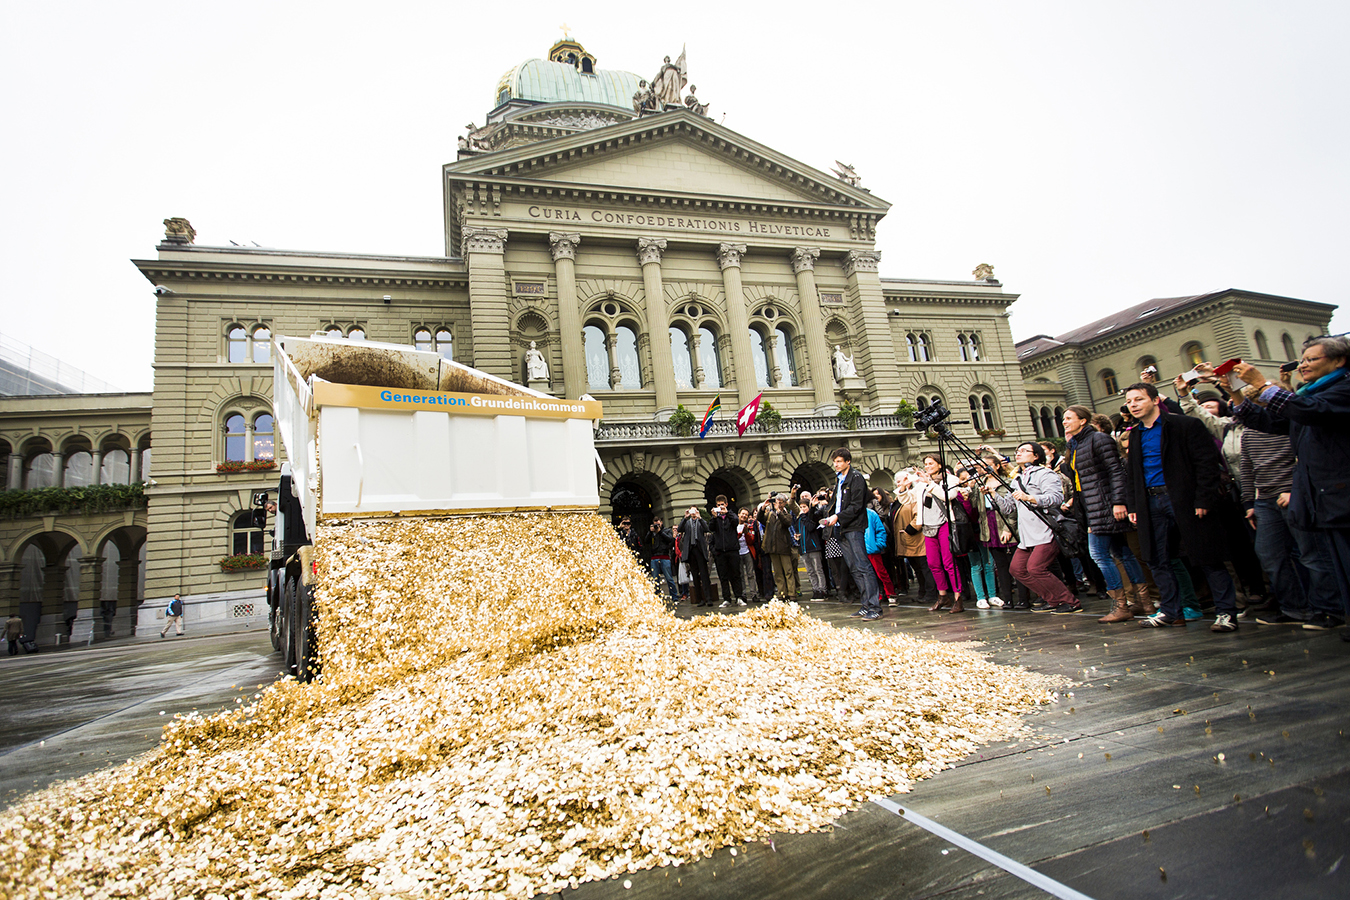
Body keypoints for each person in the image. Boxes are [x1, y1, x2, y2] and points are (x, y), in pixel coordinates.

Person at [1231, 335, 1350, 635]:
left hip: (1340, 493)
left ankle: (1330, 610)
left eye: (1312, 359)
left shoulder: (1341, 390)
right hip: (1321, 496)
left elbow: (1308, 410)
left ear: (1339, 361)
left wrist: (1262, 384)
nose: (1304, 365)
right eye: (1303, 359)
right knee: (1338, 563)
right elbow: (1270, 422)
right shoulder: (1311, 394)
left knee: (1330, 559)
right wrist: (1233, 390)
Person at [1121, 382, 1240, 632]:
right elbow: (1133, 475)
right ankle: (1171, 611)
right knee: (1158, 559)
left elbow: (1207, 464)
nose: (1133, 405)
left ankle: (1226, 612)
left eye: (1138, 399)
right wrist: (1134, 505)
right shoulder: (1136, 434)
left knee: (1207, 556)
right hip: (1150, 502)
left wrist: (1203, 499)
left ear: (1155, 400)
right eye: (1129, 401)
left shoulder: (1184, 425)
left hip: (1184, 499)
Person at [1060, 406, 1150, 623]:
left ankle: (1122, 605)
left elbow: (1115, 471)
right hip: (1092, 505)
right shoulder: (1076, 444)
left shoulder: (1099, 439)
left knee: (1099, 554)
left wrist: (1119, 501)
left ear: (1083, 420)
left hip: (1104, 505)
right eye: (1063, 418)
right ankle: (1143, 602)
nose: (1064, 422)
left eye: (1069, 418)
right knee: (1122, 552)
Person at [986, 442, 1078, 612]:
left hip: (1045, 529)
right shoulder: (1017, 479)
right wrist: (993, 494)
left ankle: (1070, 601)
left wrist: (1030, 498)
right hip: (1027, 534)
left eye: (1024, 451)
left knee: (1036, 568)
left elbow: (1056, 498)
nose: (1018, 453)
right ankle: (1053, 600)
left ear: (1036, 456)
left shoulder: (1045, 474)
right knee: (1017, 569)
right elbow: (1008, 508)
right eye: (1017, 451)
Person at [819, 448, 883, 620]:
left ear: (848, 461)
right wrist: (828, 516)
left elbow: (856, 506)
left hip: (853, 526)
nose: (836, 464)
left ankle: (875, 607)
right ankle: (865, 604)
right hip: (841, 527)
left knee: (863, 566)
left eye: (839, 461)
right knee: (853, 567)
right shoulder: (839, 479)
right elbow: (835, 503)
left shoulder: (856, 478)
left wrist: (838, 516)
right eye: (834, 461)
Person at [915, 454, 965, 612]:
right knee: (933, 563)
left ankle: (958, 597)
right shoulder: (923, 482)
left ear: (939, 465)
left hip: (944, 523)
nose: (927, 466)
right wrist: (906, 486)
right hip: (928, 525)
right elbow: (912, 499)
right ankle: (943, 596)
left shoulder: (949, 479)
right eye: (926, 464)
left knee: (949, 563)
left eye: (931, 463)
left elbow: (948, 496)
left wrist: (929, 483)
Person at [709, 495, 745, 607]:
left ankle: (739, 597)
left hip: (732, 550)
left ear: (726, 504)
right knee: (723, 576)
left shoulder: (731, 515)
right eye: (718, 505)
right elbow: (711, 528)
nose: (720, 507)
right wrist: (714, 517)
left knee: (735, 575)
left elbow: (736, 522)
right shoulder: (716, 518)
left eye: (722, 504)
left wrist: (727, 513)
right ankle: (726, 599)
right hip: (720, 552)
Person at [676, 507, 715, 608]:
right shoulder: (687, 522)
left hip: (700, 550)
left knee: (704, 574)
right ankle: (699, 599)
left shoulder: (700, 521)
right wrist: (685, 518)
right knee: (695, 575)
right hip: (691, 551)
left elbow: (706, 529)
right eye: (691, 511)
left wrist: (700, 517)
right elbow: (679, 529)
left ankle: (708, 598)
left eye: (694, 511)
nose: (693, 513)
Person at [761, 492, 796, 602]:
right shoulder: (770, 514)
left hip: (784, 547)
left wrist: (779, 512)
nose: (778, 505)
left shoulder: (786, 514)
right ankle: (782, 593)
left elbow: (786, 523)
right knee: (778, 573)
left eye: (781, 503)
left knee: (788, 571)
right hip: (773, 547)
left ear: (784, 503)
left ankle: (792, 593)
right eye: (777, 502)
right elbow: (760, 519)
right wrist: (763, 508)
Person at [797, 494, 828, 600]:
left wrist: (805, 515)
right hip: (804, 548)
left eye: (804, 507)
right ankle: (815, 589)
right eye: (801, 507)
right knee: (810, 571)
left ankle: (822, 589)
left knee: (818, 569)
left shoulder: (812, 516)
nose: (802, 509)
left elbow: (810, 527)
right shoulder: (799, 519)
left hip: (813, 546)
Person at [645, 516, 677, 605]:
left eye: (658, 523)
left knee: (669, 578)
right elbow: (646, 541)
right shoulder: (652, 532)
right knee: (655, 579)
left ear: (661, 522)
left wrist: (660, 532)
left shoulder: (666, 531)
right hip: (654, 557)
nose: (657, 525)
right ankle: (657, 597)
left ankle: (674, 597)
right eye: (655, 523)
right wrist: (650, 532)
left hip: (664, 556)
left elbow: (670, 540)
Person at [736, 507, 761, 601]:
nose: (744, 516)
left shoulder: (748, 526)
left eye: (746, 515)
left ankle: (754, 594)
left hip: (747, 552)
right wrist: (740, 534)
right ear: (738, 514)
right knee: (740, 575)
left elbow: (751, 540)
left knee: (750, 574)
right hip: (738, 553)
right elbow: (733, 540)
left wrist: (746, 533)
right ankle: (743, 594)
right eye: (742, 514)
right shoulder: (734, 526)